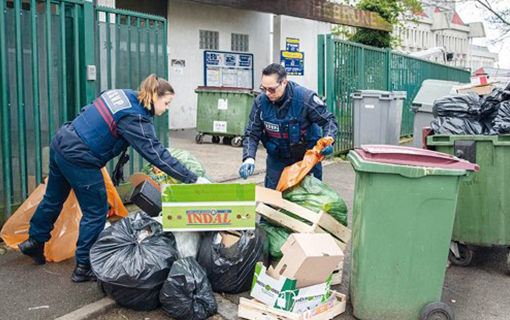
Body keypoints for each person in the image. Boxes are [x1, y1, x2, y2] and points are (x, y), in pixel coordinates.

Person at [18, 74, 208, 282]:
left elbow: (91, 111)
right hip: (80, 158)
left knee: (53, 199)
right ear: (153, 96)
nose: (167, 108)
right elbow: (158, 155)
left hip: (62, 141)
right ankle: (84, 267)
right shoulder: (136, 118)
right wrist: (192, 179)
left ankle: (34, 241)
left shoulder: (121, 94)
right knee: (96, 211)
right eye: (166, 102)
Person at [239, 63, 338, 189]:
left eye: (271, 89)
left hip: (306, 159)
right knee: (272, 200)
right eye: (264, 88)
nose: (267, 93)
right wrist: (249, 159)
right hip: (277, 159)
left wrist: (328, 140)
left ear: (284, 82)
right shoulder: (260, 103)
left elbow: (328, 121)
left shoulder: (305, 99)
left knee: (309, 200)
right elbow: (252, 133)